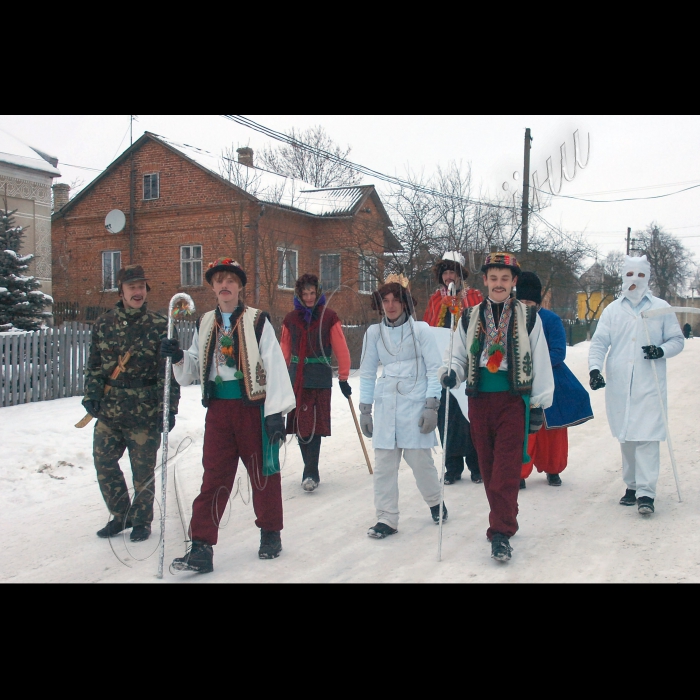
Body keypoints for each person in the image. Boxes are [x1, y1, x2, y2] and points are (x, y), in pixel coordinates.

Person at [161, 258, 295, 573]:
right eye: (219, 280)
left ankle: (270, 532)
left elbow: (274, 364)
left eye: (230, 280)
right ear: (212, 287)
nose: (225, 286)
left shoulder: (257, 320)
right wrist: (179, 356)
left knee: (263, 473)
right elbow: (195, 366)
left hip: (253, 407)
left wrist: (275, 413)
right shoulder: (204, 322)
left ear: (239, 286)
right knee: (215, 477)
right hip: (219, 411)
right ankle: (201, 548)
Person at [439, 252, 554, 562]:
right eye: (493, 278)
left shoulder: (528, 317)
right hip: (479, 401)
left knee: (505, 466)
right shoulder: (469, 315)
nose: (499, 284)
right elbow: (459, 355)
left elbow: (540, 360)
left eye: (505, 278)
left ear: (514, 281)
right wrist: (451, 371)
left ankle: (500, 532)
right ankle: (507, 513)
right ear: (485, 280)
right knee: (489, 468)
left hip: (512, 399)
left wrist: (540, 403)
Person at [83, 265, 179, 543]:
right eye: (132, 287)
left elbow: (169, 374)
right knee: (103, 461)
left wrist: (170, 408)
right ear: (121, 291)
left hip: (145, 411)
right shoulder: (104, 324)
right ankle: (121, 514)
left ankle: (142, 521)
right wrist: (91, 396)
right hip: (110, 409)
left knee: (143, 470)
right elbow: (94, 364)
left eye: (141, 287)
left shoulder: (161, 325)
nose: (137, 292)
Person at [588, 255, 684, 515]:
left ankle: (646, 493)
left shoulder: (660, 308)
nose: (635, 280)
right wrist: (595, 369)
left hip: (649, 384)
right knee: (627, 437)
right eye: (630, 274)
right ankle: (631, 486)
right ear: (623, 277)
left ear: (647, 277)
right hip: (620, 384)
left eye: (640, 275)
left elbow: (677, 340)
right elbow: (599, 343)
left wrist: (660, 350)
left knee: (647, 437)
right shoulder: (612, 311)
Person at [359, 274, 446, 538]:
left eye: (396, 299)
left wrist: (432, 404)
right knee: (384, 465)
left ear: (406, 303)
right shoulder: (374, 333)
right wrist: (366, 408)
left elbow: (434, 369)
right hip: (387, 404)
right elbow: (366, 371)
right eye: (386, 300)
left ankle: (435, 502)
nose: (391, 305)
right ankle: (387, 518)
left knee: (420, 461)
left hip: (415, 402)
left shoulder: (421, 330)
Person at [516, 272, 593, 489]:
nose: (525, 305)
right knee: (523, 430)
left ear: (537, 301)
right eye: (521, 301)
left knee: (552, 430)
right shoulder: (512, 318)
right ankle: (519, 472)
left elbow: (559, 351)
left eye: (529, 301)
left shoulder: (551, 319)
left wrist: (535, 366)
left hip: (550, 379)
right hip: (520, 383)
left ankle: (553, 469)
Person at [280, 273, 352, 492]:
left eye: (312, 293)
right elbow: (284, 349)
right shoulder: (291, 319)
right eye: (305, 294)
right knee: (302, 425)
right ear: (299, 295)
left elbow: (340, 347)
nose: (309, 298)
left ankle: (311, 470)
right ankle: (309, 469)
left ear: (318, 293)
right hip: (297, 377)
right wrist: (279, 378)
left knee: (316, 426)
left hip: (319, 376)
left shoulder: (329, 317)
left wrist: (344, 377)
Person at [423, 252, 483, 485]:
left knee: (471, 417)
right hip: (444, 368)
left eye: (453, 272)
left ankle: (477, 466)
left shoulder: (475, 297)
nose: (449, 276)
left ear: (460, 275)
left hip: (469, 366)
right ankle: (452, 467)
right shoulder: (434, 301)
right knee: (448, 417)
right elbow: (428, 333)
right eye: (445, 272)